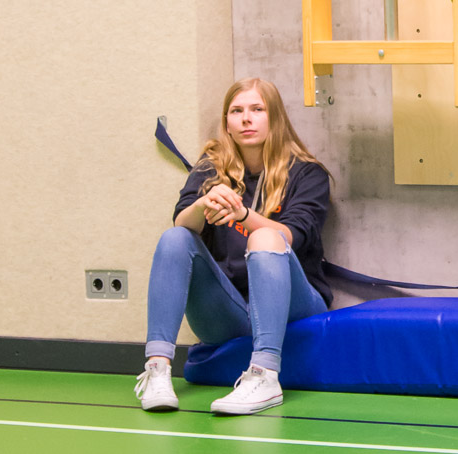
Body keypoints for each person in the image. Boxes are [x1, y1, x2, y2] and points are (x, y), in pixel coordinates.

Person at [134, 77, 332, 415]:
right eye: (236, 111)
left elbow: (290, 236)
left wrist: (242, 214)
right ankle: (157, 369)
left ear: (275, 118)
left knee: (265, 237)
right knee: (175, 237)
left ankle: (265, 376)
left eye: (257, 109)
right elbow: (182, 224)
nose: (246, 119)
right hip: (230, 310)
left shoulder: (307, 173)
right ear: (226, 122)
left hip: (293, 308)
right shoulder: (211, 168)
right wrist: (203, 205)